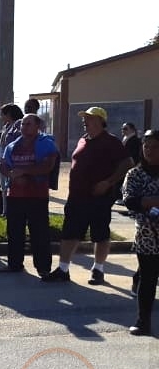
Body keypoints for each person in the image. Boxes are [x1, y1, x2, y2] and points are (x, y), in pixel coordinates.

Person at [43, 106, 136, 284]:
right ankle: (63, 270)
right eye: (84, 118)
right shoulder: (82, 140)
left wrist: (108, 182)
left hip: (99, 198)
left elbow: (128, 163)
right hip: (77, 197)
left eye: (90, 118)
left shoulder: (111, 141)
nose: (85, 121)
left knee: (100, 235)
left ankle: (98, 270)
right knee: (69, 234)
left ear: (101, 121)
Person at [0, 114, 58, 276]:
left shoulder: (46, 144)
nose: (24, 127)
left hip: (37, 195)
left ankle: (43, 267)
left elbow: (48, 166)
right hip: (15, 195)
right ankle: (14, 263)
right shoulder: (12, 145)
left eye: (28, 124)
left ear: (37, 126)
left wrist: (24, 172)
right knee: (14, 231)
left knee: (39, 232)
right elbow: (3, 165)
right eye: (22, 124)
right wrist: (11, 175)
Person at [122, 129, 159, 335]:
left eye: (155, 147)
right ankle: (143, 321)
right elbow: (130, 201)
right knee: (148, 278)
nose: (150, 151)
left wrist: (148, 201)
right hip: (147, 235)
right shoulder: (135, 174)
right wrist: (151, 202)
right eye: (146, 146)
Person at [0, 104, 25, 217]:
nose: (1, 116)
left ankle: (11, 211)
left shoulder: (18, 126)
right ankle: (5, 211)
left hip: (12, 163)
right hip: (3, 163)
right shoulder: (6, 126)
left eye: (3, 113)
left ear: (9, 114)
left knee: (11, 188)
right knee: (4, 189)